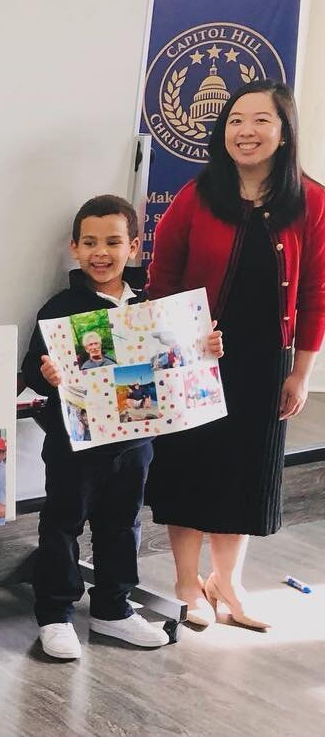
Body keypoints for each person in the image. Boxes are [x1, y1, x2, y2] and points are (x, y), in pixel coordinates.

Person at [146, 80, 324, 633]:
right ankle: (185, 581)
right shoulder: (196, 196)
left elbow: (318, 291)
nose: (246, 132)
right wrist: (184, 340)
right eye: (235, 121)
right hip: (197, 359)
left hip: (264, 360)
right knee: (190, 468)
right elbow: (161, 278)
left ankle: (228, 583)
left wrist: (300, 371)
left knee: (247, 471)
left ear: (284, 129)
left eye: (261, 120)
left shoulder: (312, 201)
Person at [22, 195, 216, 661]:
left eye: (112, 241)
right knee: (63, 524)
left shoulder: (150, 306)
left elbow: (174, 362)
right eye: (89, 242)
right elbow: (33, 368)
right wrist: (44, 375)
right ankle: (55, 614)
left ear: (133, 248)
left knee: (122, 524)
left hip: (136, 440)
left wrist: (205, 347)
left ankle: (112, 607)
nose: (100, 252)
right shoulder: (60, 307)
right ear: (74, 247)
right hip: (75, 442)